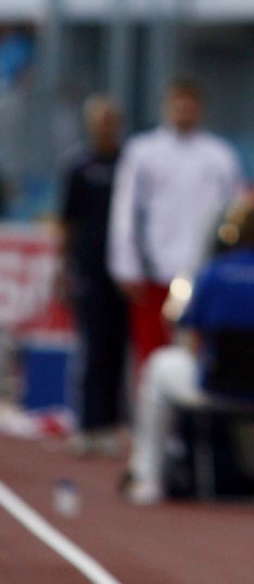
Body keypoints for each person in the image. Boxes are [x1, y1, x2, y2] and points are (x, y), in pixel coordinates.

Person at [125, 198, 254, 505]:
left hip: (217, 389)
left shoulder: (213, 274)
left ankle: (147, 480)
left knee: (158, 367)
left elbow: (185, 329)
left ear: (231, 235)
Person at [107, 78, 243, 367]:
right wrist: (126, 266)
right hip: (155, 270)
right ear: (167, 107)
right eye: (178, 106)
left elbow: (236, 213)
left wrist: (230, 265)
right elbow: (125, 210)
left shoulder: (220, 156)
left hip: (204, 272)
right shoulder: (142, 152)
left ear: (200, 109)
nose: (184, 112)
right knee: (153, 357)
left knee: (201, 356)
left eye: (189, 107)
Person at [56, 94, 129, 454]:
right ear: (90, 125)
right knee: (91, 346)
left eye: (110, 121)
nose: (105, 128)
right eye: (100, 121)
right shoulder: (78, 166)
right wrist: (62, 267)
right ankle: (86, 424)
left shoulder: (130, 163)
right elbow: (66, 221)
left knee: (117, 347)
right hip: (89, 266)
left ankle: (111, 425)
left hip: (125, 269)